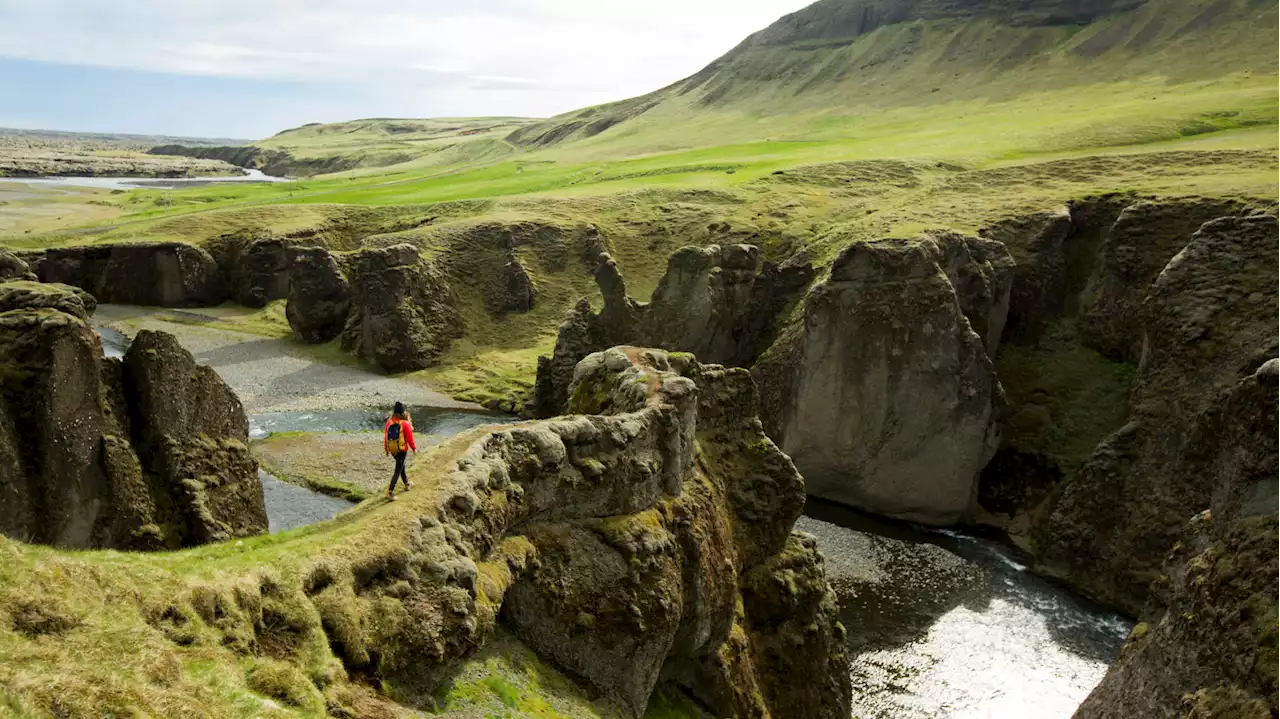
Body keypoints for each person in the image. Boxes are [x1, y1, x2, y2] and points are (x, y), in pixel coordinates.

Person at [384, 401, 417, 501]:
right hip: (402, 450)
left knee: (401, 466)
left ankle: (407, 484)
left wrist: (387, 449)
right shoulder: (405, 424)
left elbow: (385, 437)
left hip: (393, 449)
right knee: (398, 469)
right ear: (403, 413)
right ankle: (389, 492)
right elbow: (410, 438)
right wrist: (414, 448)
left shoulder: (389, 422)